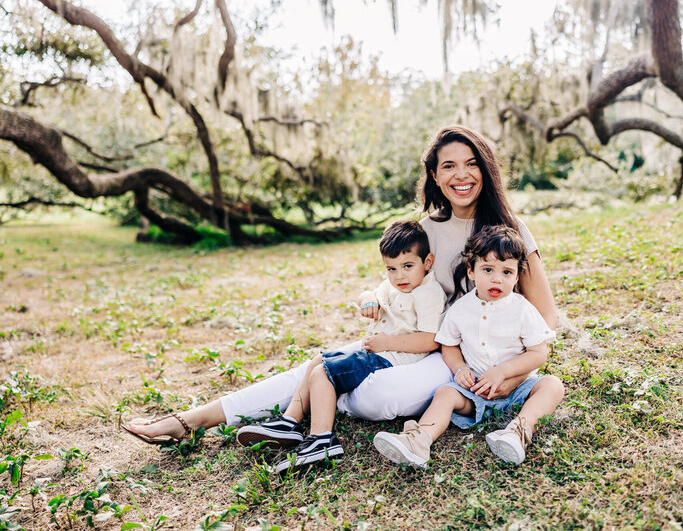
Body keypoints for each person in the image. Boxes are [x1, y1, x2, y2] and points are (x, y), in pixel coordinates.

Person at [121, 124, 562, 445]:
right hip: (422, 341)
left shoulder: (509, 229)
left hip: (468, 356)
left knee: (379, 399)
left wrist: (513, 370)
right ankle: (192, 420)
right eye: (448, 166)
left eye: (470, 164)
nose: (460, 175)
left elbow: (546, 315)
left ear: (485, 170)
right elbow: (401, 279)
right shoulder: (428, 227)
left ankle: (318, 400)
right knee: (316, 368)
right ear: (434, 175)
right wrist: (373, 299)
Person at [234, 219, 446, 472]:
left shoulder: (428, 294)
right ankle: (289, 421)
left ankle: (321, 439)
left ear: (428, 262)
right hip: (377, 352)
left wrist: (387, 342)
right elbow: (370, 293)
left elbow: (431, 340)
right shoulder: (397, 284)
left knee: (323, 373)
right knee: (318, 360)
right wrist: (368, 299)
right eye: (391, 269)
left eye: (407, 266)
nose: (399, 275)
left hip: (392, 358)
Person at [373, 225, 556, 468]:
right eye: (487, 269)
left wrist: (504, 372)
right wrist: (460, 370)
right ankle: (418, 441)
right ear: (471, 271)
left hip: (518, 389)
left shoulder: (523, 309)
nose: (496, 279)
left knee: (552, 385)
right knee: (445, 394)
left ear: (516, 275)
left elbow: (538, 354)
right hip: (475, 391)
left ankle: (517, 431)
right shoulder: (460, 309)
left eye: (507, 272)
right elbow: (449, 346)